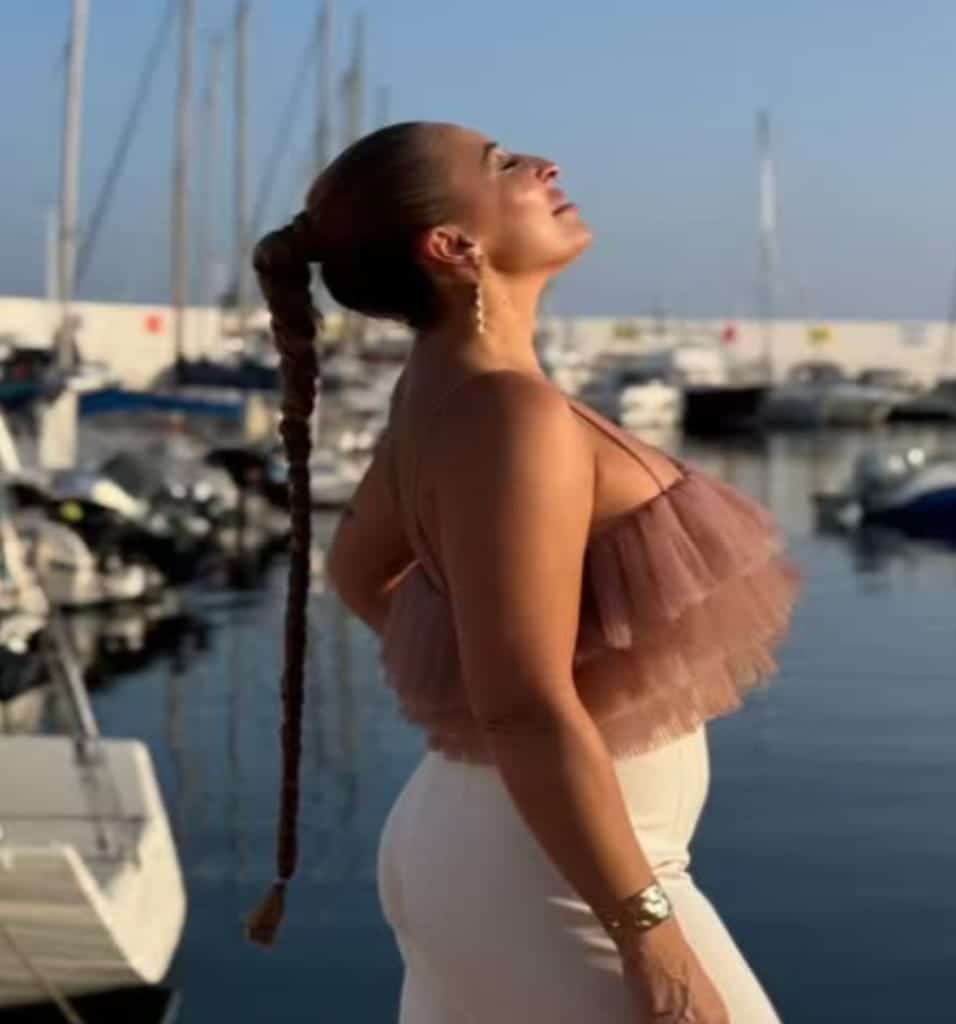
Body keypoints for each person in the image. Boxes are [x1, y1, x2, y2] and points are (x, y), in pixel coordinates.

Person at [249, 121, 800, 1023]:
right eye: (502, 164)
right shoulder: (508, 414)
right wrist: (653, 940)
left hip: (500, 850)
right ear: (451, 246)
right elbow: (521, 704)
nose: (547, 165)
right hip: (557, 884)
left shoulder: (447, 390)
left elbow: (357, 570)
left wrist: (494, 659)